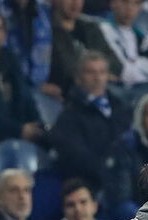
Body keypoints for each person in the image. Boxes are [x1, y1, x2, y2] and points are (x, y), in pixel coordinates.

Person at [50, 51, 129, 191]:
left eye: (102, 72)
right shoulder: (69, 115)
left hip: (125, 180)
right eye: (90, 72)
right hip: (92, 185)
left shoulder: (121, 108)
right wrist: (109, 174)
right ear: (79, 78)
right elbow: (78, 158)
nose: (97, 78)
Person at [0, 9, 44, 143]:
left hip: (20, 137)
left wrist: (38, 126)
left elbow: (27, 98)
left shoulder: (11, 62)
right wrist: (18, 129)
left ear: (5, 34)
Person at [50, 0, 119, 95]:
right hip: (70, 93)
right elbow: (62, 71)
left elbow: (116, 64)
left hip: (103, 88)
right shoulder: (47, 32)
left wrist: (102, 73)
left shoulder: (90, 28)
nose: (75, 3)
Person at [99, 0, 148, 88]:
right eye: (125, 2)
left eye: (136, 3)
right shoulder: (103, 30)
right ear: (113, 3)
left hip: (144, 89)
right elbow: (124, 71)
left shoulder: (144, 35)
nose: (130, 8)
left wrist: (137, 63)